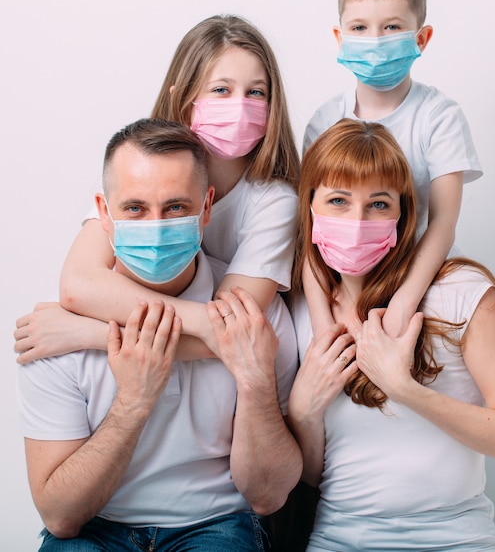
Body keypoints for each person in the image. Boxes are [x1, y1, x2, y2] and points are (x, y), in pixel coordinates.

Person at [17, 118, 302, 551]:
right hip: (96, 526)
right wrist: (134, 401)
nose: (156, 226)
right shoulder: (53, 334)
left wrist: (255, 380)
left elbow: (267, 496)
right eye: (135, 209)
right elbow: (59, 516)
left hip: (215, 523)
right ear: (104, 213)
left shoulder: (256, 317)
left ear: (207, 207)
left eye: (175, 207)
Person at [287, 118, 495, 551]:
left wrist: (406, 389)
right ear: (310, 207)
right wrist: (303, 413)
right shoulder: (297, 313)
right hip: (340, 537)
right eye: (338, 201)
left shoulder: (460, 290)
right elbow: (314, 476)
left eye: (379, 204)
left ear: (403, 213)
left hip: (458, 537)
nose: (358, 220)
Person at [14, 14, 300, 363]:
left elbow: (229, 335)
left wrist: (92, 334)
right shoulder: (141, 170)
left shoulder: (274, 202)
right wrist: (198, 319)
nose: (239, 107)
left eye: (256, 92)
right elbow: (78, 285)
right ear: (183, 99)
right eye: (221, 90)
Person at [301, 0, 483, 343]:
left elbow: (443, 224)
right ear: (340, 37)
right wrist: (320, 320)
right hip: (343, 282)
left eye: (392, 27)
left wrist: (403, 303)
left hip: (412, 281)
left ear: (421, 38)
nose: (375, 41)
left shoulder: (440, 117)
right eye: (360, 28)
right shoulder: (324, 120)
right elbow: (308, 224)